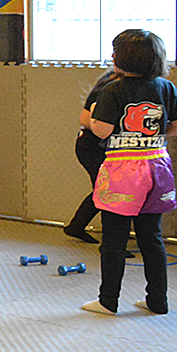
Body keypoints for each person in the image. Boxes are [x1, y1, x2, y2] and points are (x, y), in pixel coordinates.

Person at [82, 30, 177, 316]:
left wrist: (95, 117)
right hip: (157, 167)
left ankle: (107, 301)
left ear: (124, 58)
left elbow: (102, 129)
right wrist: (150, 135)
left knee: (114, 238)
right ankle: (158, 301)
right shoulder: (166, 87)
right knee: (151, 237)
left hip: (124, 172)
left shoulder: (112, 90)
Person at [62, 68, 119, 243]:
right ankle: (112, 241)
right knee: (107, 191)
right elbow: (85, 119)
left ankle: (76, 226)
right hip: (92, 146)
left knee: (103, 190)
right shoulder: (111, 84)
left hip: (101, 146)